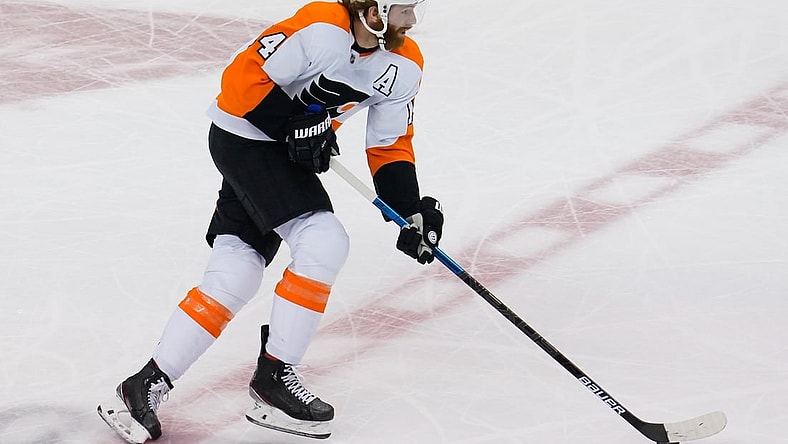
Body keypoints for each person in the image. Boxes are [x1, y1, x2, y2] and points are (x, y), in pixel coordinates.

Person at [97, 0, 444, 442]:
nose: (410, 22)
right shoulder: (321, 25)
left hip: (286, 154)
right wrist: (293, 127)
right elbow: (241, 82)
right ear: (369, 6)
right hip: (243, 138)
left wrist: (408, 210)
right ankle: (275, 377)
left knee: (237, 271)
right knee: (323, 241)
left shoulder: (405, 64)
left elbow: (390, 144)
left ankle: (142, 386)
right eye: (401, 10)